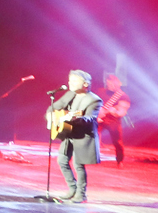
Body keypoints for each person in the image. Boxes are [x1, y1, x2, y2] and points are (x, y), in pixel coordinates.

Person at [45, 69, 102, 204]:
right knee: (62, 160)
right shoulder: (70, 94)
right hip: (68, 133)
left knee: (78, 165)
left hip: (83, 135)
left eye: (74, 80)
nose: (70, 83)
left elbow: (89, 118)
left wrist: (72, 118)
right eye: (70, 80)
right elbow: (54, 107)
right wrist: (51, 116)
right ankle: (72, 188)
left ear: (85, 84)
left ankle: (81, 194)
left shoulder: (94, 100)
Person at [99, 73, 130, 165]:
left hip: (113, 121)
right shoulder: (101, 91)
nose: (109, 86)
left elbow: (122, 112)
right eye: (108, 84)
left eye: (112, 84)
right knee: (91, 134)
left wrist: (114, 112)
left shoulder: (123, 96)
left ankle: (119, 160)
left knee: (117, 142)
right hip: (100, 118)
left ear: (117, 84)